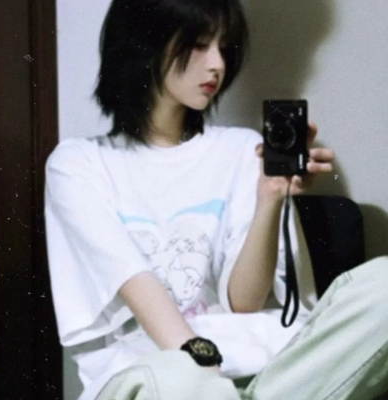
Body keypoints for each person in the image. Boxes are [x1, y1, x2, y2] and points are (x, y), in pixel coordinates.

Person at [44, 0, 388, 399]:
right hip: (156, 378)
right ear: (144, 42)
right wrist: (205, 371)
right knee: (179, 377)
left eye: (224, 48)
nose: (218, 65)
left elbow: (243, 304)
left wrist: (270, 198)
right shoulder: (78, 164)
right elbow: (136, 283)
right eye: (199, 44)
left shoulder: (243, 151)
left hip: (262, 378)